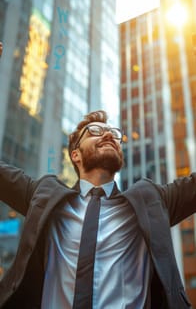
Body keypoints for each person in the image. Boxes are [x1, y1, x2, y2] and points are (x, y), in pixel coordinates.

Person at [0, 109, 195, 309]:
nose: (109, 135)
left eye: (114, 134)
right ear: (75, 155)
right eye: (95, 131)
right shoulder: (45, 197)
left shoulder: (150, 201)